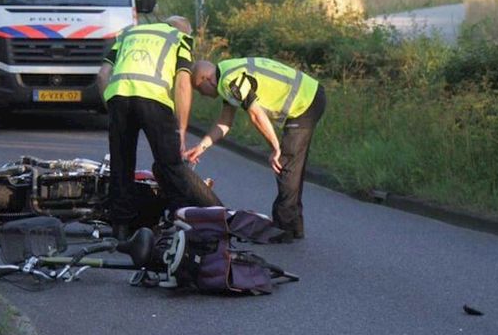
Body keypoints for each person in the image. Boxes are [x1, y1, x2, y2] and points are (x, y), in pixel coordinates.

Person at [97, 16, 220, 240]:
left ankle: (121, 229)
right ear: (184, 31)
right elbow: (183, 83)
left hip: (118, 97)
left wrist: (112, 106)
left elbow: (103, 74)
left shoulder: (127, 34)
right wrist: (181, 130)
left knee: (121, 164)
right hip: (154, 99)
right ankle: (180, 222)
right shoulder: (179, 38)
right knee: (170, 164)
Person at [185, 58, 327, 242]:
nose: (202, 95)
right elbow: (224, 122)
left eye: (198, 89)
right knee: (293, 166)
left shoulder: (231, 81)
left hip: (306, 101)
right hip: (311, 95)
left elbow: (255, 114)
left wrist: (276, 148)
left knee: (285, 164)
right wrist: (201, 146)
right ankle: (294, 226)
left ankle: (283, 230)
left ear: (206, 79)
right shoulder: (228, 73)